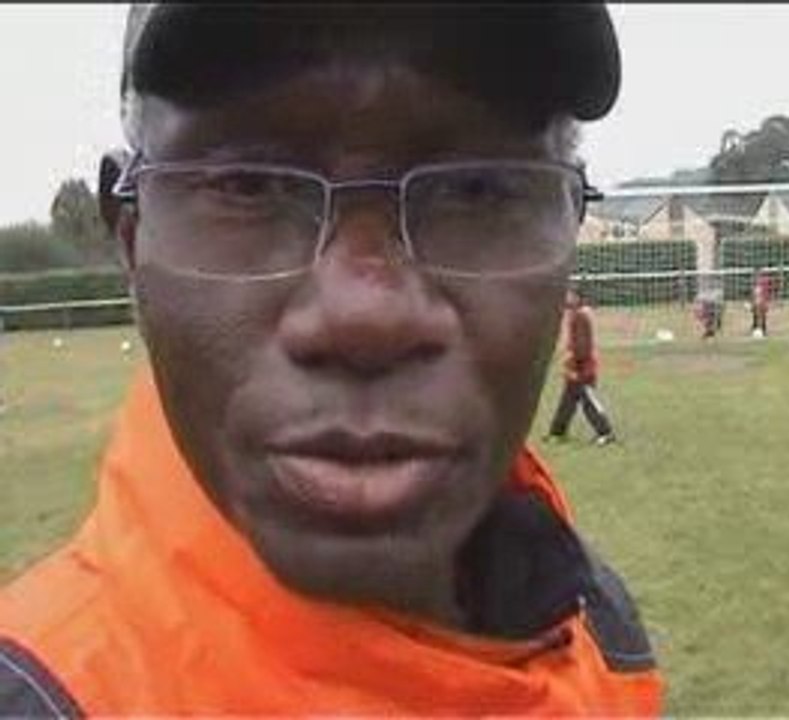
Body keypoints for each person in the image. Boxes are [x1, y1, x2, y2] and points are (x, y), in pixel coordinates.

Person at [0, 5, 662, 715]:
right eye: (250, 185)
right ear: (131, 237)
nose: (365, 314)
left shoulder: (596, 629)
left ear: (572, 223)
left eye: (476, 189)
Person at [545, 287, 617, 445]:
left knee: (588, 402)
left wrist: (576, 365)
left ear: (578, 298)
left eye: (570, 295)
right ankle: (557, 433)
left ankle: (606, 432)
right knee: (567, 402)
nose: (566, 298)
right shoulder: (574, 314)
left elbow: (583, 346)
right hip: (575, 366)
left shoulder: (581, 315)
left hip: (583, 368)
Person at [749, 268, 773, 338]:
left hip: (762, 301)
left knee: (761, 314)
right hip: (759, 300)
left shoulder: (763, 281)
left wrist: (764, 300)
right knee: (757, 314)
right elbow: (755, 293)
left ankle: (761, 328)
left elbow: (765, 292)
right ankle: (757, 327)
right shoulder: (758, 283)